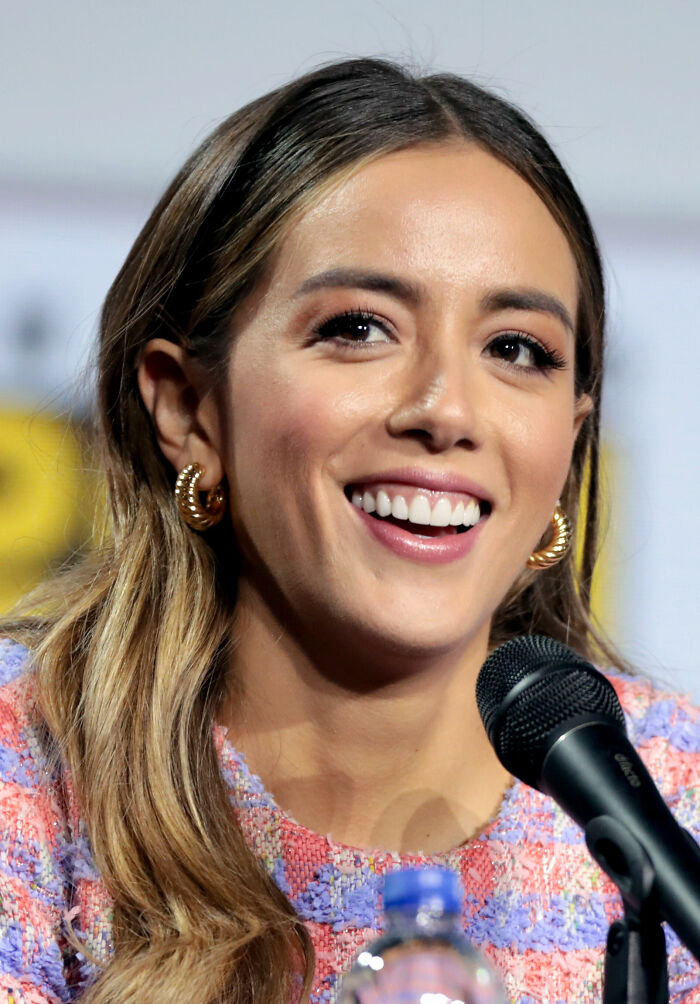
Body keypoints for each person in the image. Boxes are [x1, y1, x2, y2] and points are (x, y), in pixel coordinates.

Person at [0, 57, 698, 1004]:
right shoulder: (28, 764)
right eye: (360, 328)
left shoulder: (675, 798)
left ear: (569, 446)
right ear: (190, 408)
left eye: (516, 349)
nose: (447, 409)